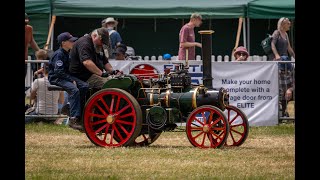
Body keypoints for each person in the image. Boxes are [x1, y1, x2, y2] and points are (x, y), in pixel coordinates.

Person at [48, 32, 89, 131]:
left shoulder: (67, 53)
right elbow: (58, 72)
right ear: (63, 43)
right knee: (74, 90)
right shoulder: (59, 54)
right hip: (56, 78)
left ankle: (78, 113)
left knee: (85, 86)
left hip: (65, 76)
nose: (73, 42)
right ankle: (73, 119)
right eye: (70, 41)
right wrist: (71, 80)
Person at [25, 13, 40, 77]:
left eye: (26, 23)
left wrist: (39, 51)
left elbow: (31, 41)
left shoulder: (29, 29)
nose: (25, 25)